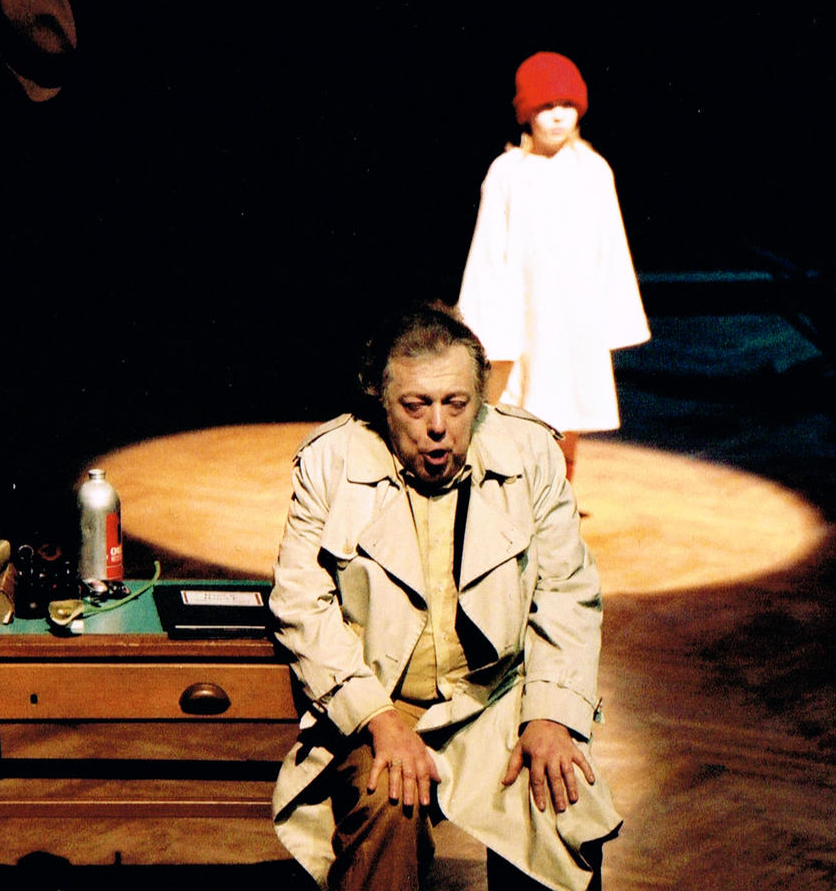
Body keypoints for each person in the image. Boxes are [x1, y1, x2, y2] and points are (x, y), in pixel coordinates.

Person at [269, 302, 622, 891]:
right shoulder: (329, 461)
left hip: (498, 699)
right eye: (416, 406)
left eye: (456, 404)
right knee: (387, 798)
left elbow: (567, 591)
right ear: (381, 403)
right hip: (385, 701)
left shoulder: (531, 452)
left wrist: (550, 714)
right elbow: (301, 605)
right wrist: (376, 718)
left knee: (559, 794)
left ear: (478, 401)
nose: (438, 426)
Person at [457, 51, 650, 481]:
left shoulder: (593, 170)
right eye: (546, 106)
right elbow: (488, 250)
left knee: (570, 404)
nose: (559, 115)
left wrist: (612, 317)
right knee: (523, 403)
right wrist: (484, 323)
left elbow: (610, 248)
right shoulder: (507, 172)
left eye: (566, 105)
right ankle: (520, 493)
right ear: (527, 113)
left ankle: (560, 491)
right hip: (524, 315)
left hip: (575, 318)